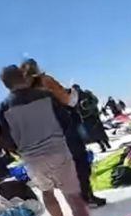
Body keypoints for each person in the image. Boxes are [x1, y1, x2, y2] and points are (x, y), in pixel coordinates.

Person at [0, 65, 103, 216]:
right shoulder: (45, 96)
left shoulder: (3, 108)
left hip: (33, 159)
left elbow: (4, 140)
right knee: (74, 199)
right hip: (58, 151)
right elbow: (65, 122)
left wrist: (21, 150)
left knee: (48, 193)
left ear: (5, 84)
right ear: (23, 77)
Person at [20, 59, 106, 207]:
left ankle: (75, 199)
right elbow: (69, 101)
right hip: (64, 129)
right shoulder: (45, 81)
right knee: (80, 163)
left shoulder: (23, 94)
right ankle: (87, 197)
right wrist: (72, 93)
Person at [72, 84, 111, 151]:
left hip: (93, 115)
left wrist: (89, 105)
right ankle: (102, 145)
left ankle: (106, 142)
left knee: (99, 130)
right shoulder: (74, 99)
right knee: (92, 133)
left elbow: (95, 101)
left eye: (76, 89)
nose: (75, 90)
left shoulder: (87, 94)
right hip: (85, 118)